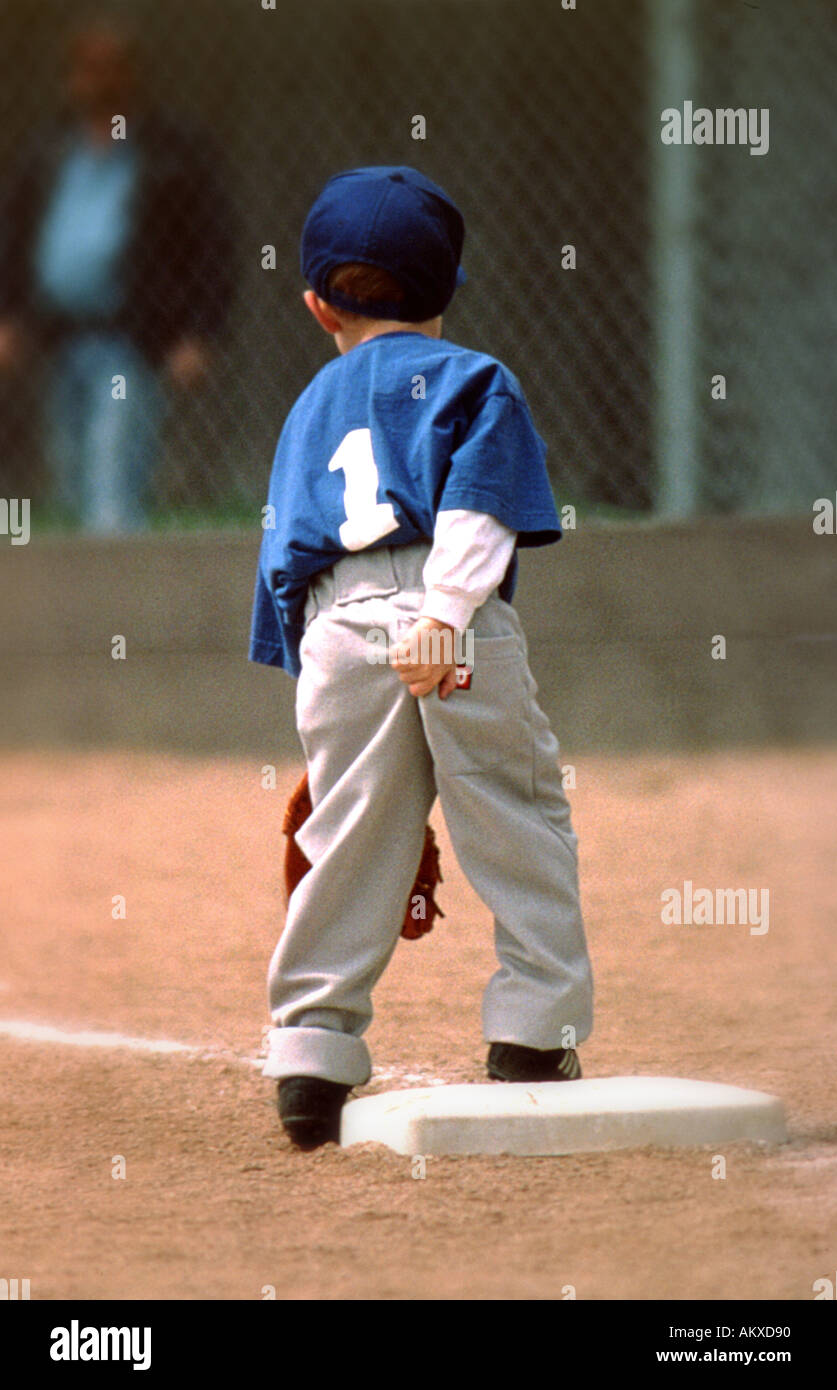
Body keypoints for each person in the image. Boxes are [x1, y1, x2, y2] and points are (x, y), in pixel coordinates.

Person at [249, 166, 594, 1150]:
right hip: (453, 622)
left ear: (315, 303)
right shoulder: (475, 378)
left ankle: (310, 1053)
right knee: (515, 814)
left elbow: (285, 560)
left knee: (350, 837)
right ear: (447, 290)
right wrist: (443, 614)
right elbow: (480, 505)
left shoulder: (307, 406)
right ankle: (533, 1033)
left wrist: (330, 735)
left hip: (335, 628)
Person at [0, 19, 234, 532]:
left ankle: (120, 593)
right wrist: (11, 316)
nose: (98, 80)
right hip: (59, 336)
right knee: (68, 478)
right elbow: (15, 237)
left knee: (112, 477)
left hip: (129, 339)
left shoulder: (169, 153)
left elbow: (213, 247)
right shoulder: (52, 151)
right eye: (88, 68)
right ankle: (80, 603)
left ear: (133, 75)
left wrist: (198, 331)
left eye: (111, 68)